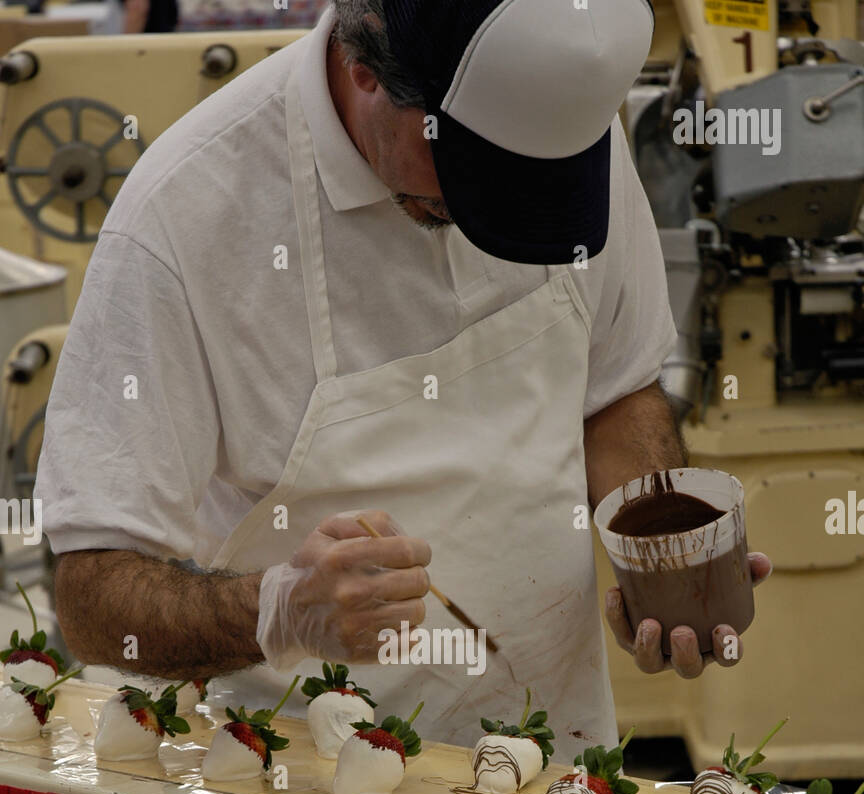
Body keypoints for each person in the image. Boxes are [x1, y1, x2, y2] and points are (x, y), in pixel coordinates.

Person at [36, 0, 770, 752]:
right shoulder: (184, 217)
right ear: (365, 74)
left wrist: (661, 551)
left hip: (550, 762)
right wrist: (276, 609)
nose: (493, 214)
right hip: (302, 778)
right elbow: (92, 595)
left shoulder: (559, 126)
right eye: (472, 176)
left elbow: (613, 389)